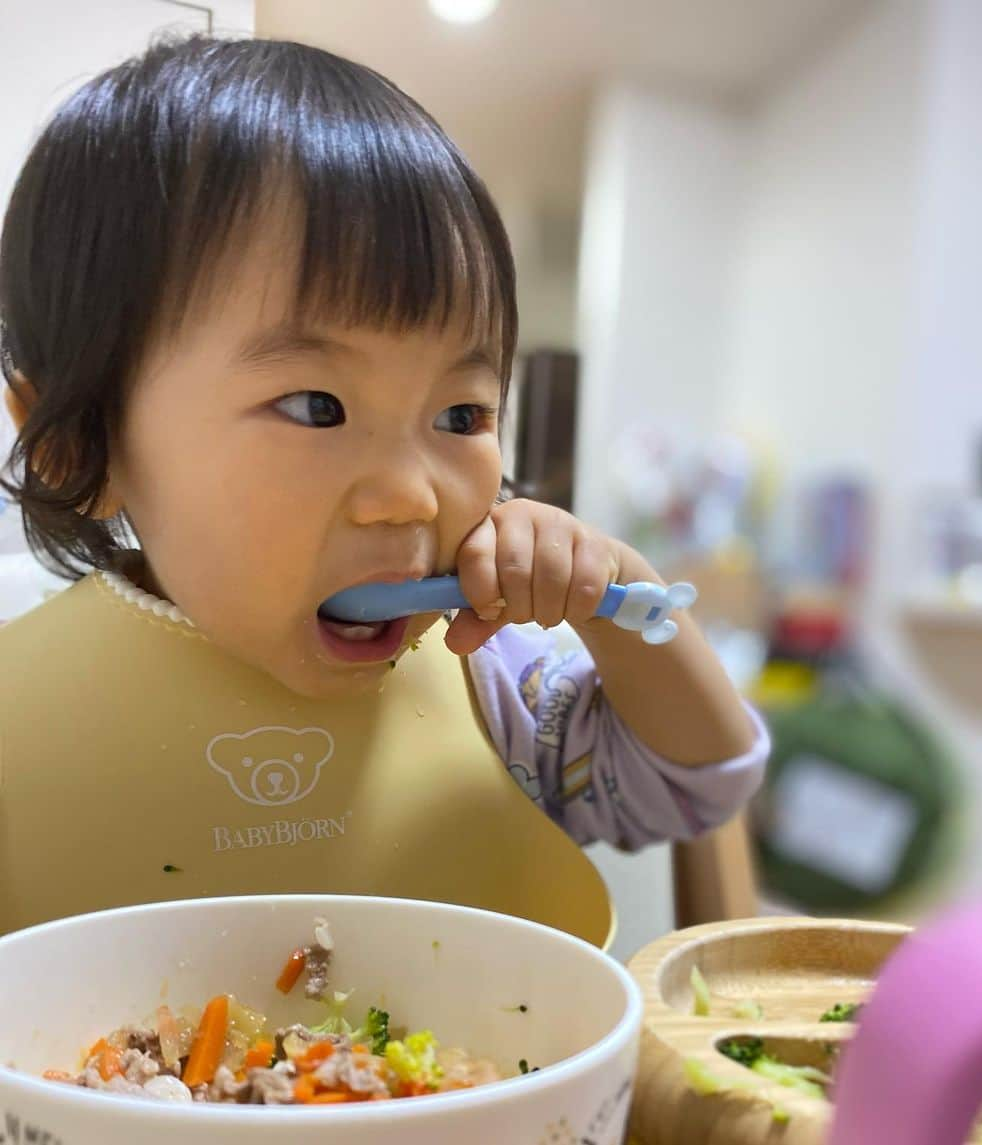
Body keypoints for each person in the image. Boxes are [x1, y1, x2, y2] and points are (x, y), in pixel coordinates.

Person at [0, 35, 767, 942]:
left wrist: (616, 593)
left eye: (461, 416)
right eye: (316, 405)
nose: (411, 495)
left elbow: (696, 785)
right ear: (81, 443)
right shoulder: (25, 719)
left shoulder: (493, 676)